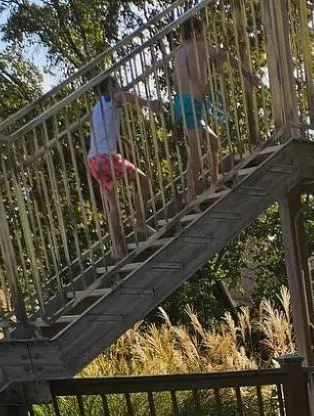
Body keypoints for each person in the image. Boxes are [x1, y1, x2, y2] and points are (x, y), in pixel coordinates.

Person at [170, 14, 255, 204]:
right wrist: (246, 74)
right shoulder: (199, 46)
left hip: (183, 103)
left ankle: (215, 180)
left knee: (214, 142)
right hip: (191, 104)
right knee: (195, 155)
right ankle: (191, 197)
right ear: (196, 33)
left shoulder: (179, 52)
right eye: (203, 32)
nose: (205, 36)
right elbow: (224, 55)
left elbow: (178, 79)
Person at [87, 74, 160, 257]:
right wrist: (149, 104)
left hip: (95, 162)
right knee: (143, 180)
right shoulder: (111, 98)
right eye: (116, 85)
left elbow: (103, 132)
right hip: (107, 159)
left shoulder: (97, 107)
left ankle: (117, 248)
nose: (119, 88)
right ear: (110, 88)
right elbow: (125, 97)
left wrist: (122, 141)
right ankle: (140, 221)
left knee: (113, 205)